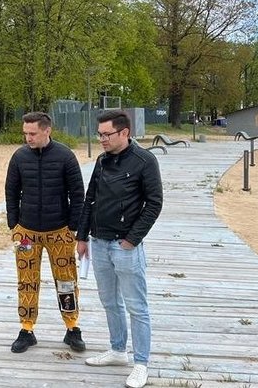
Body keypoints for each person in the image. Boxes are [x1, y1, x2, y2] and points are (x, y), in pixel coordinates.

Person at [76, 110, 163, 388]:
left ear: (124, 133)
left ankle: (141, 364)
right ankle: (117, 350)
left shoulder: (144, 161)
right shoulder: (102, 160)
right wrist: (82, 236)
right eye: (99, 134)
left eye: (107, 134)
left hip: (125, 245)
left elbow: (154, 203)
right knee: (109, 301)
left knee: (137, 306)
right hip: (98, 242)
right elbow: (90, 198)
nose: (102, 139)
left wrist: (132, 239)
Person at [5, 111, 86, 353]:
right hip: (26, 233)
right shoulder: (19, 157)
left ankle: (72, 327)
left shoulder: (65, 156)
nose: (28, 138)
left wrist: (73, 227)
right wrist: (14, 225)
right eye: (25, 133)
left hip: (59, 231)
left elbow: (77, 194)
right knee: (26, 281)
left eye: (33, 133)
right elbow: (11, 192)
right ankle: (26, 329)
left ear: (47, 130)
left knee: (66, 281)